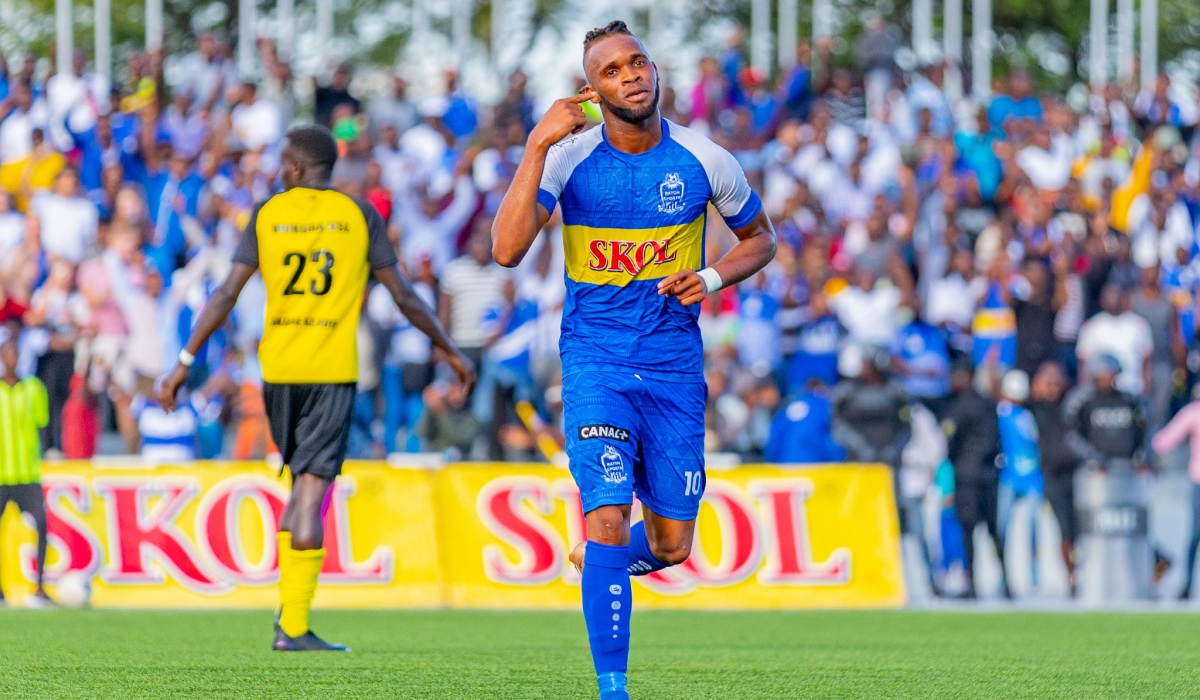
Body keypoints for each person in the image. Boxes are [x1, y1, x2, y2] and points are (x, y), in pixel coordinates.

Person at [491, 22, 776, 700]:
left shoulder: (705, 159)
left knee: (673, 545)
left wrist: (709, 277)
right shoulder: (568, 158)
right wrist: (536, 143)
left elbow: (761, 239)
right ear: (593, 90)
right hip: (596, 362)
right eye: (613, 70)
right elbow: (505, 250)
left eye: (638, 62)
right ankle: (612, 688)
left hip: (674, 367)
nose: (632, 76)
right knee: (608, 515)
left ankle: (602, 561)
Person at [159, 125, 474, 651]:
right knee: (310, 491)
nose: (278, 171)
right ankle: (294, 626)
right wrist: (451, 350)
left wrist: (183, 362)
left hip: (278, 370)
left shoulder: (267, 213)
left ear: (297, 168)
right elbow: (404, 297)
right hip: (331, 370)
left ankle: (288, 615)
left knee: (299, 489)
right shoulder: (359, 215)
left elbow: (226, 293)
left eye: (283, 162)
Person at [939, 360, 1007, 598]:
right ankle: (1006, 584)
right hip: (989, 474)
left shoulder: (958, 407)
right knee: (993, 530)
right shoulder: (989, 404)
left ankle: (972, 585)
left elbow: (950, 442)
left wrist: (957, 462)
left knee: (968, 531)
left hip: (967, 475)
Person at [0, 327, 52, 607]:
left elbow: (43, 426)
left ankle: (39, 587)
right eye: (7, 352)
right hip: (1, 473)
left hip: (27, 472)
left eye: (15, 352)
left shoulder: (34, 388)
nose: (11, 357)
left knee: (41, 525)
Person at [1029, 361, 1079, 594]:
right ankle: (1072, 578)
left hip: (1077, 475)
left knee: (1082, 528)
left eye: (1055, 381)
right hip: (1052, 476)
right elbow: (1000, 396)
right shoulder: (1037, 408)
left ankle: (1084, 573)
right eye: (1047, 382)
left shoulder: (1071, 404)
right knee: (1065, 530)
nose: (1051, 387)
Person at [1151, 383, 1200, 599]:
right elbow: (1163, 441)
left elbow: (1160, 442)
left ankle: (1187, 585)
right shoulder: (1194, 413)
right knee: (1195, 535)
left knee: (1195, 535)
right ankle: (1187, 584)